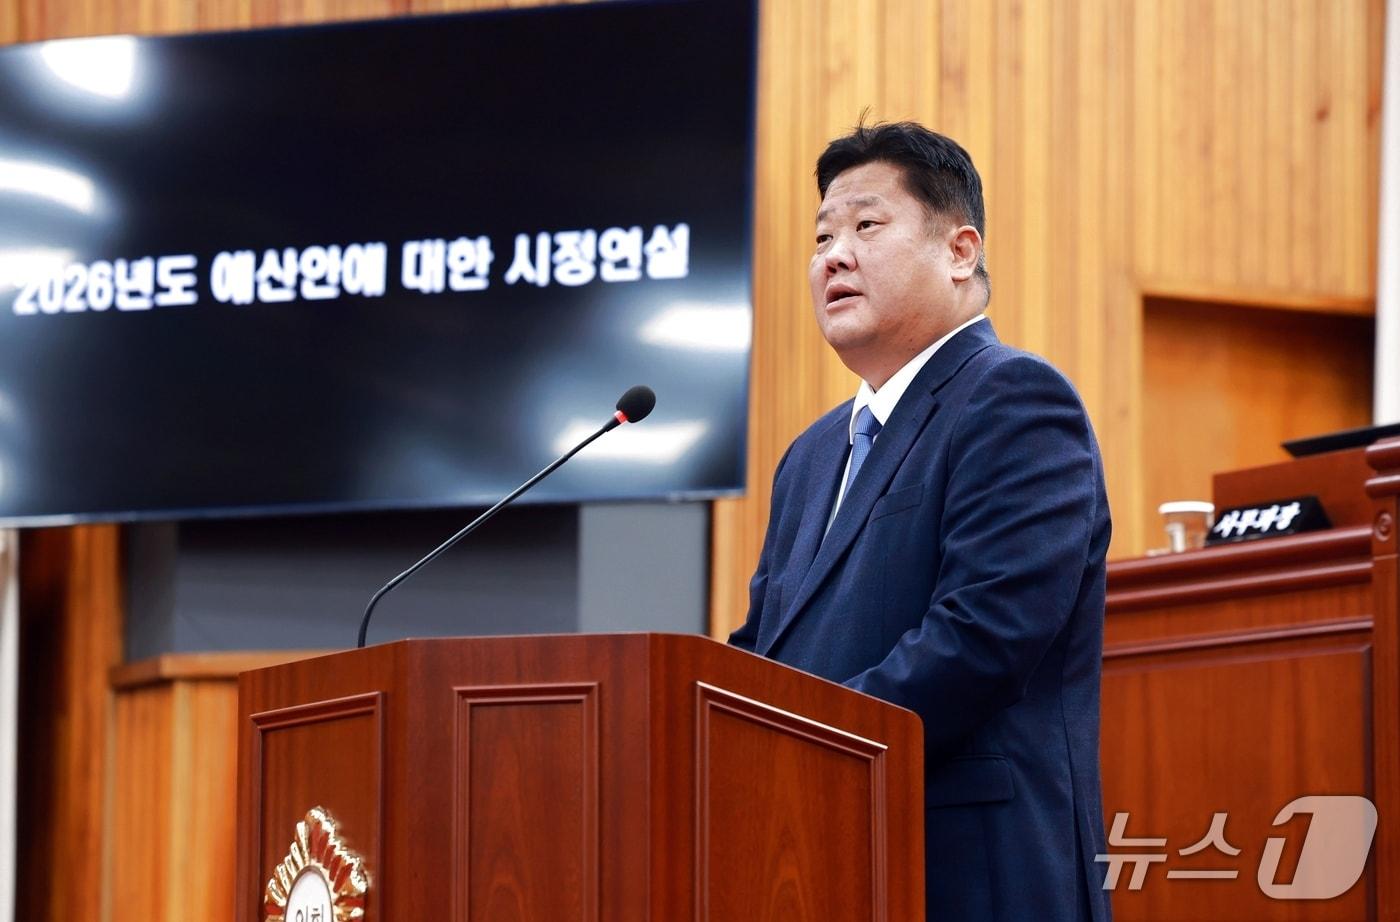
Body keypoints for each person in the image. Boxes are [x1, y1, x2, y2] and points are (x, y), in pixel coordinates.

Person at [728, 120, 1112, 922]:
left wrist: (802, 748)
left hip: (966, 870)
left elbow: (982, 636)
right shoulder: (809, 456)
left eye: (866, 225)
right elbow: (762, 652)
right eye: (823, 235)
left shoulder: (1014, 399)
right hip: (815, 855)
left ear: (960, 251)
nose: (834, 254)